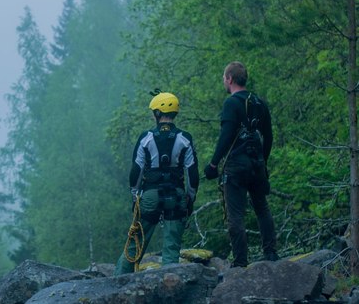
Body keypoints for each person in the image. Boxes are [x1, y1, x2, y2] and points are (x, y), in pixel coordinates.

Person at [114, 91, 199, 275]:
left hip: (150, 196)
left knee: (135, 245)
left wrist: (135, 196)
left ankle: (117, 282)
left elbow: (136, 171)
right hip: (176, 196)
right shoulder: (185, 138)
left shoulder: (146, 138)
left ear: (158, 114)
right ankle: (169, 286)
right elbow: (192, 174)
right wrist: (190, 198)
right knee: (171, 249)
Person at [204, 61, 279, 267]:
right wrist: (263, 161)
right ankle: (271, 254)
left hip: (236, 165)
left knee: (235, 215)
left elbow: (227, 135)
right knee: (262, 208)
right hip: (256, 163)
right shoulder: (259, 103)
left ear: (229, 79)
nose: (224, 82)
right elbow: (269, 136)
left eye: (224, 78)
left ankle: (240, 263)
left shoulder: (231, 103)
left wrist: (213, 164)